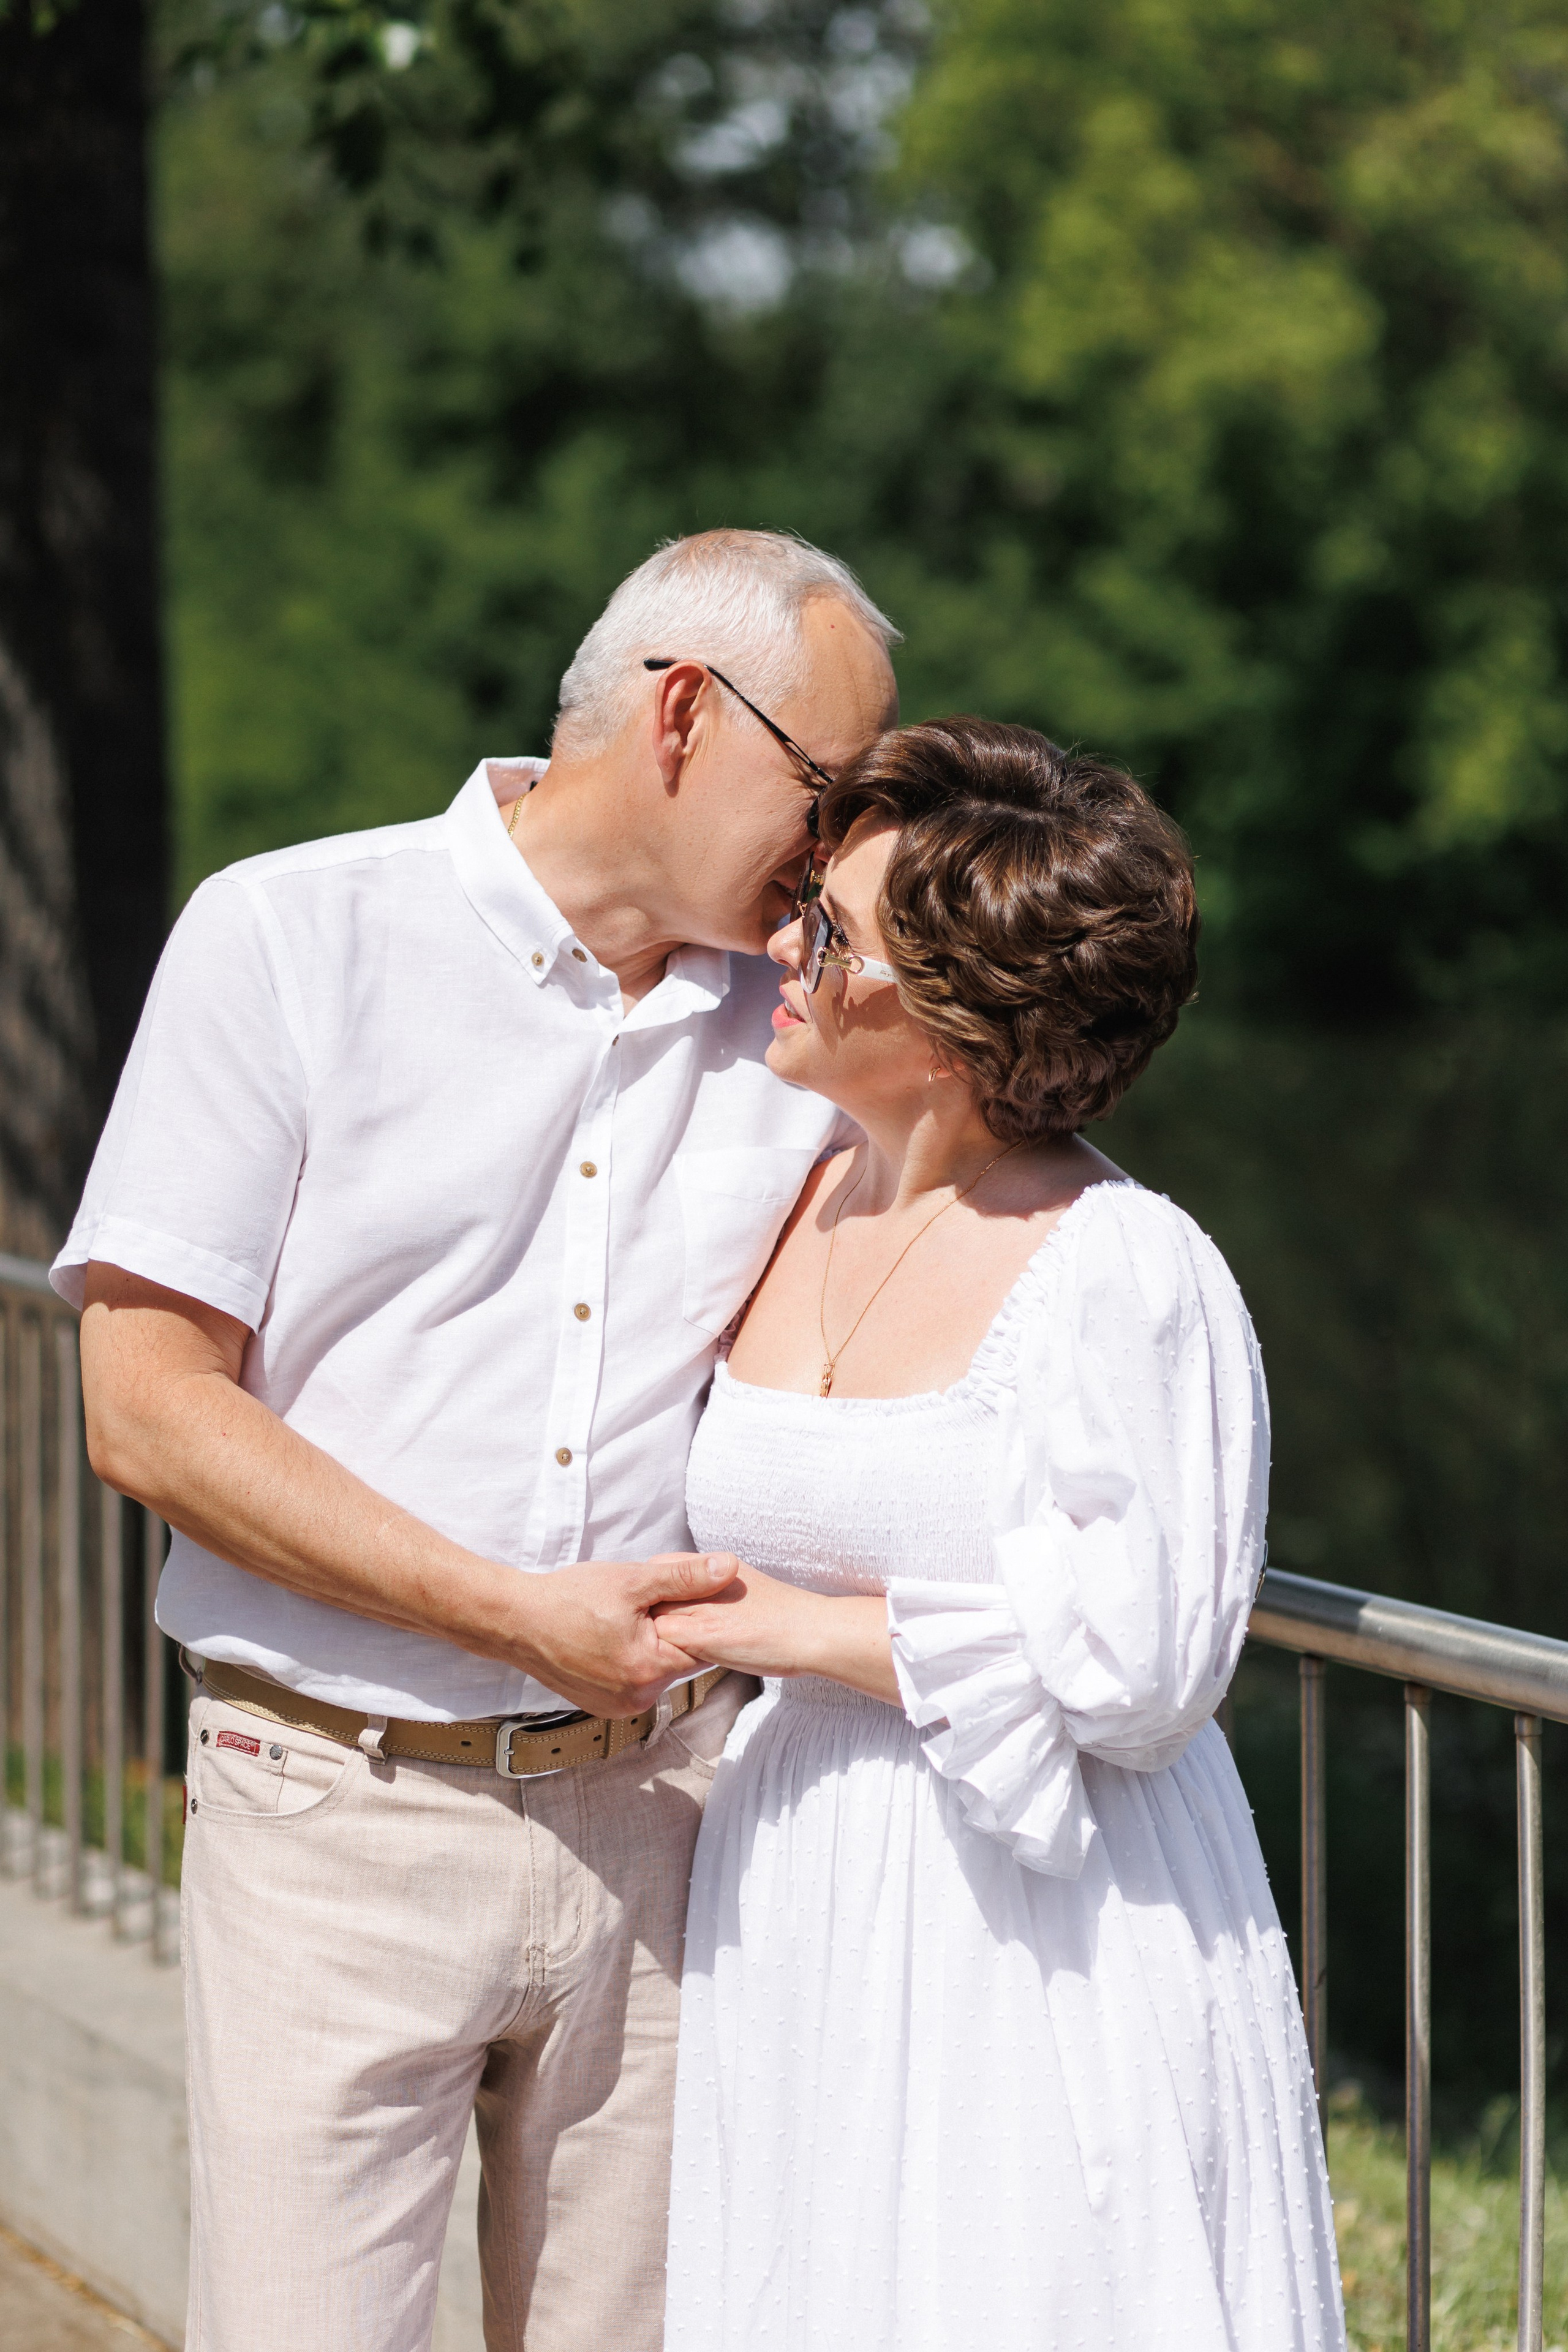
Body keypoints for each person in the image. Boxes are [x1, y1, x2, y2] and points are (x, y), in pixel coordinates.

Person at [55, 529, 899, 2352]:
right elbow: (143, 1406)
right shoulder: (290, 935)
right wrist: (511, 1612)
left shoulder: (811, 1024)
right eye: (830, 791)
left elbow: (1007, 1185)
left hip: (681, 1822)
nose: (838, 853)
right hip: (332, 1804)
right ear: (683, 711)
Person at [656, 717, 1348, 2351]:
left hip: (1036, 1916)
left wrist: (782, 1631)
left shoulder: (1125, 1269)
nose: (779, 947)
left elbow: (1146, 1666)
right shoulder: (793, 1192)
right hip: (801, 1886)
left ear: (953, 1025)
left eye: (828, 931)